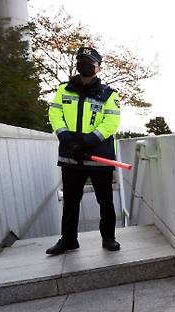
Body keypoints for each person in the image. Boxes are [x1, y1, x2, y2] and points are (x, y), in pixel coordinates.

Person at [46, 47, 122, 255]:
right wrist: (65, 137)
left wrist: (88, 140)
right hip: (71, 156)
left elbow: (112, 121)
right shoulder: (64, 90)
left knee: (105, 201)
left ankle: (109, 238)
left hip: (98, 157)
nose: (84, 64)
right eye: (80, 60)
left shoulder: (109, 94)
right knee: (70, 201)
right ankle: (68, 240)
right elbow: (55, 114)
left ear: (98, 67)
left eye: (89, 61)